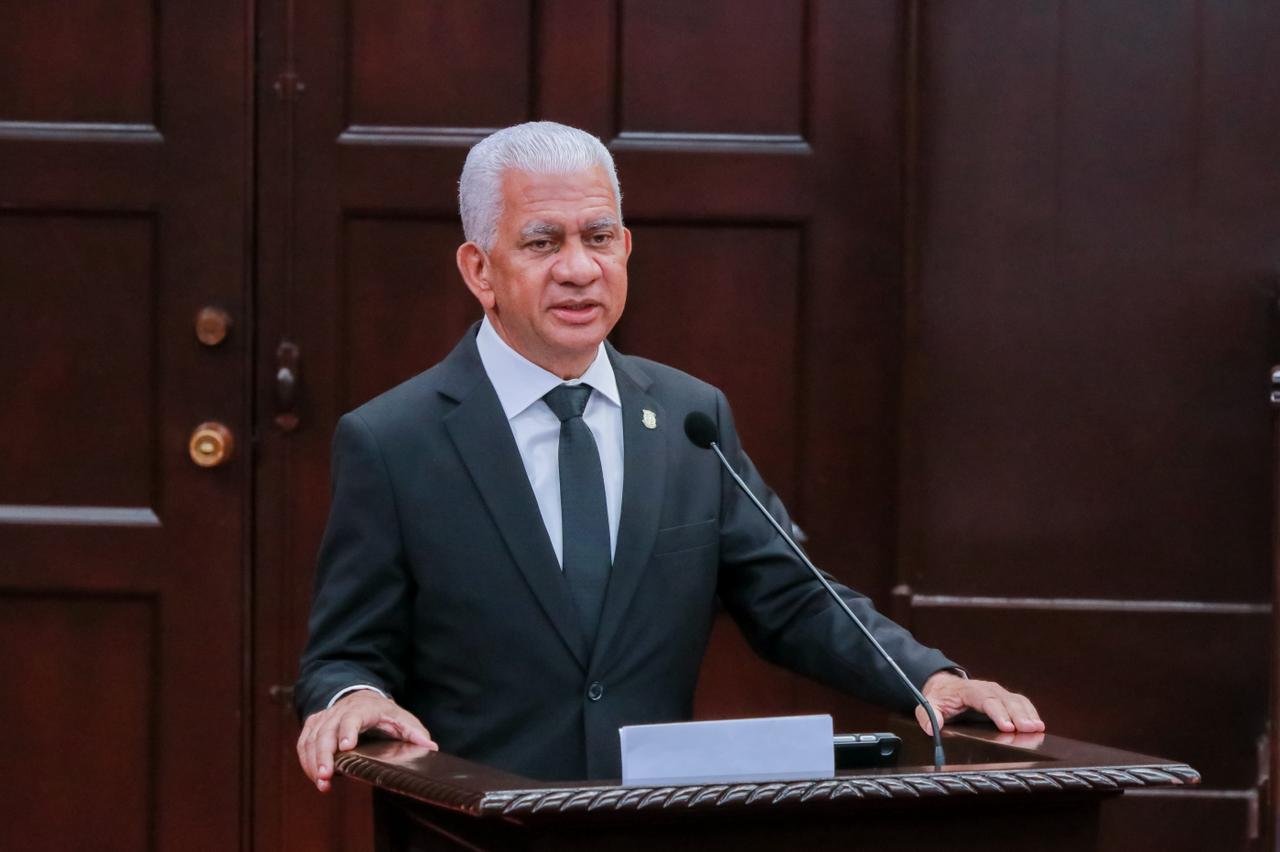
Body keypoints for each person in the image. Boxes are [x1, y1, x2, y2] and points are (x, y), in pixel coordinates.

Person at [294, 121, 1043, 792]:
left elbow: (794, 597)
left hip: (653, 820)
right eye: (542, 242)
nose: (579, 268)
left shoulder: (690, 418)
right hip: (477, 824)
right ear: (479, 269)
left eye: (599, 237)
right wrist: (354, 698)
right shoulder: (394, 440)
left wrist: (927, 678)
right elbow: (344, 655)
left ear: (625, 248)